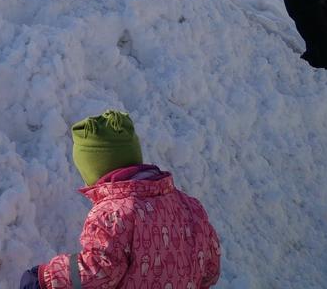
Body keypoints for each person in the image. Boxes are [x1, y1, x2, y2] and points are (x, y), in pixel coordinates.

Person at [19, 110, 221, 289]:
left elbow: (98, 270)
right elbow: (211, 269)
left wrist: (43, 278)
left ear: (96, 169)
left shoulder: (113, 213)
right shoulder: (189, 206)